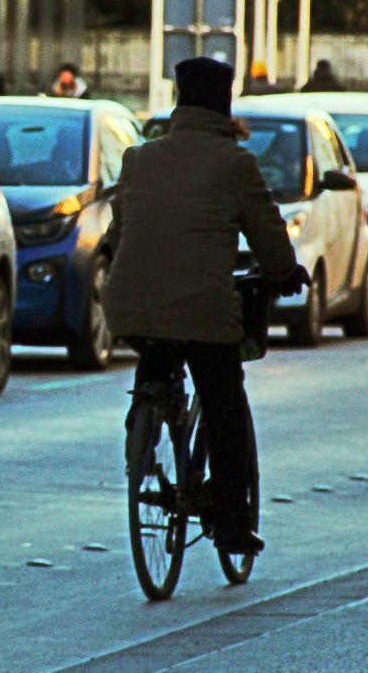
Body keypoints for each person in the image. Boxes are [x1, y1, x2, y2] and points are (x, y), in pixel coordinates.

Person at [103, 56, 307, 556]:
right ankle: (234, 523)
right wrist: (283, 273)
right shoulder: (235, 163)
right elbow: (267, 232)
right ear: (224, 105)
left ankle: (145, 424)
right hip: (203, 311)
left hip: (128, 304)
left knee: (157, 345)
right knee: (223, 400)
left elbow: (116, 235)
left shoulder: (139, 158)